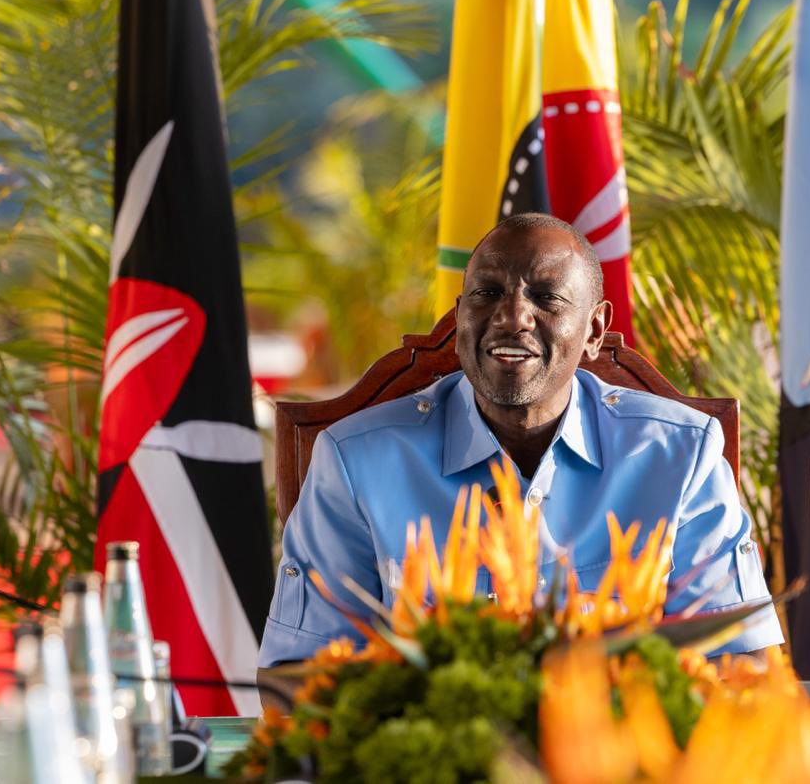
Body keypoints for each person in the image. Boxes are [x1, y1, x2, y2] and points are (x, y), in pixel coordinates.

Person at [257, 214, 783, 670]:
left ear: (594, 331)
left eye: (546, 297)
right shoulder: (356, 461)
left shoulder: (680, 456)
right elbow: (298, 674)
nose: (511, 317)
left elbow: (743, 664)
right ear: (460, 317)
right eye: (487, 293)